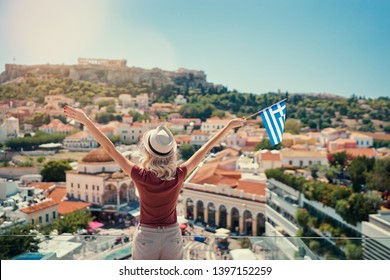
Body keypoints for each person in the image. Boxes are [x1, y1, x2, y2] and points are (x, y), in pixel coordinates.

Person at [63, 105, 245, 260]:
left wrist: (86, 121)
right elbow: (205, 149)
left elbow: (110, 148)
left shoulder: (139, 175)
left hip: (147, 236)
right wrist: (228, 126)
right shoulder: (179, 174)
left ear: (148, 151)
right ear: (171, 152)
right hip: (173, 235)